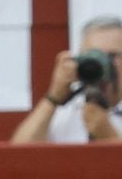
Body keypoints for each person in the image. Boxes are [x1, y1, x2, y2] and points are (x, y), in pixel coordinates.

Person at [11, 14, 122, 144]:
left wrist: (108, 136)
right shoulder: (65, 111)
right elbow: (20, 155)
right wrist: (53, 98)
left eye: (112, 55)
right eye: (93, 56)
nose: (102, 64)